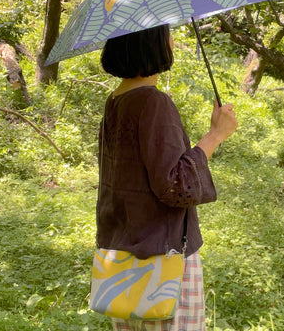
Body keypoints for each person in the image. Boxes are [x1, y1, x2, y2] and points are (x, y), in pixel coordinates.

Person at [96, 24, 238, 331]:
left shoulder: (116, 101)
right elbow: (175, 187)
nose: (172, 40)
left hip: (122, 259)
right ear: (151, 41)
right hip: (163, 262)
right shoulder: (153, 102)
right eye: (168, 32)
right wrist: (215, 135)